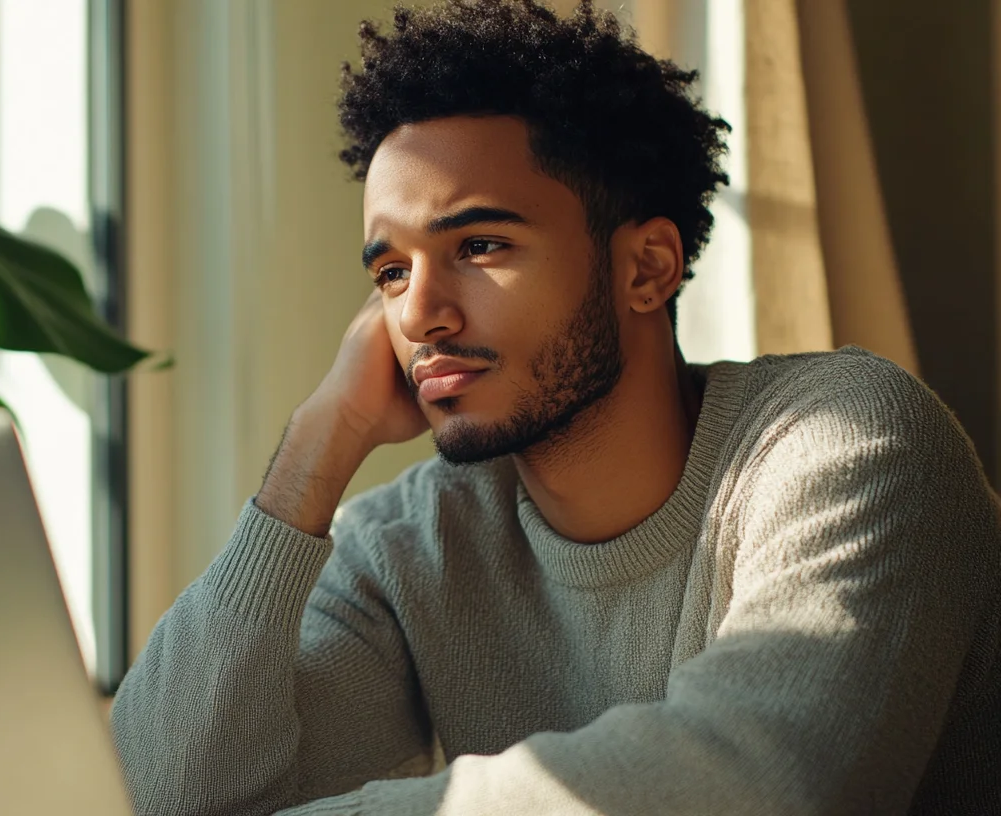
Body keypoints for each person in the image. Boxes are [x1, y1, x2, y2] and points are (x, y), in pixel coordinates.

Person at [110, 1, 1001, 813]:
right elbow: (162, 796)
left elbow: (757, 783)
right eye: (391, 271)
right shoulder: (407, 548)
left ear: (645, 268)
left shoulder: (847, 441)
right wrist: (318, 443)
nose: (419, 313)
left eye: (481, 244)